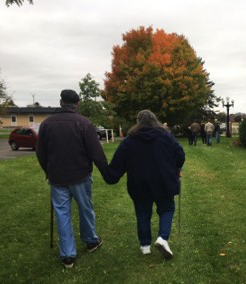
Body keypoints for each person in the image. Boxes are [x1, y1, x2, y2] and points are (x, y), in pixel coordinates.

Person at [36, 89, 107, 269]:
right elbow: (95, 152)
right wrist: (107, 171)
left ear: (61, 102)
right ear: (77, 104)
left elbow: (40, 152)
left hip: (58, 177)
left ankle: (68, 255)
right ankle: (90, 241)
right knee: (85, 209)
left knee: (62, 215)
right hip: (80, 176)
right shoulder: (83, 123)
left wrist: (47, 170)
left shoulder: (46, 124)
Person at [105, 109, 185, 259]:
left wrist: (109, 173)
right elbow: (179, 154)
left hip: (139, 183)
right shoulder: (166, 136)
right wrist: (176, 168)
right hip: (163, 181)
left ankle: (145, 245)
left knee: (142, 213)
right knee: (167, 209)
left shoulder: (129, 140)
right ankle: (162, 238)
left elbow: (118, 162)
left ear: (138, 122)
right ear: (155, 120)